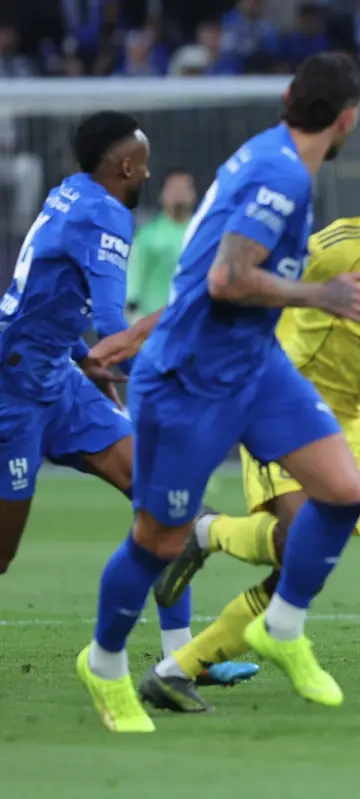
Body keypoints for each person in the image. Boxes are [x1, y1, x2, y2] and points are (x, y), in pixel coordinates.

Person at [77, 53, 360, 734]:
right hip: (190, 381)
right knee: (157, 539)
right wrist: (319, 294)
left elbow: (197, 276)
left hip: (254, 366)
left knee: (343, 490)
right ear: (348, 118)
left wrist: (136, 331)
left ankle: (282, 625)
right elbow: (226, 279)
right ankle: (104, 661)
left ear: (290, 97)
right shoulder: (278, 173)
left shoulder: (265, 156)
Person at [140, 130, 360, 713]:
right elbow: (235, 282)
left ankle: (180, 651)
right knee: (301, 540)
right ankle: (216, 586)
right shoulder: (343, 246)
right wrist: (134, 338)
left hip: (347, 419)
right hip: (281, 396)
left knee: (304, 555)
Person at [0, 111, 256, 688]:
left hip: (60, 378)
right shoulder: (107, 214)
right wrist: (185, 315)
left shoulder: (69, 193)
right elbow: (116, 326)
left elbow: (56, 299)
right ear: (124, 167)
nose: (149, 171)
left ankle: (179, 661)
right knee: (2, 554)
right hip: (12, 392)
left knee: (162, 502)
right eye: (143, 162)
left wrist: (81, 357)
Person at [125, 169, 197, 321]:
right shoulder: (148, 235)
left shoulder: (201, 232)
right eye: (173, 189)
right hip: (153, 325)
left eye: (184, 188)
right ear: (163, 196)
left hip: (192, 323)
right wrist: (134, 314)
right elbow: (134, 276)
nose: (179, 194)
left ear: (193, 195)